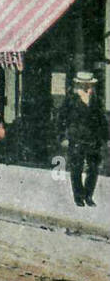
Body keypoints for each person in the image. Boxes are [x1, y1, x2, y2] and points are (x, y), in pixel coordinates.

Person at [57, 72, 108, 207]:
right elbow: (62, 118)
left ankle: (88, 196)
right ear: (78, 84)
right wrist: (62, 136)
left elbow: (102, 119)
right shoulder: (71, 99)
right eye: (83, 83)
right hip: (76, 138)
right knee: (76, 168)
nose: (86, 86)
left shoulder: (96, 99)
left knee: (93, 168)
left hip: (93, 139)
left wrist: (106, 137)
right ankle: (78, 197)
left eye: (89, 84)